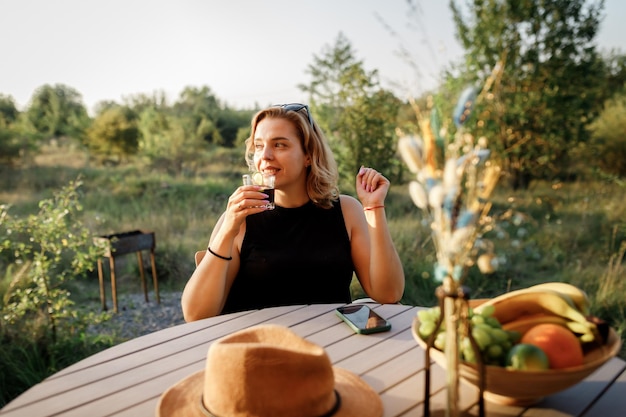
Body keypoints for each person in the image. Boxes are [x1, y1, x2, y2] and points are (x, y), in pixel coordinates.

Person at [181, 103, 404, 321]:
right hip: (260, 347)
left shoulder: (346, 211)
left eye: (279, 145)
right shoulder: (240, 218)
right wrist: (228, 230)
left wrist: (374, 207)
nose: (265, 155)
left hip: (331, 347)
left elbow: (388, 294)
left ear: (308, 155)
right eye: (259, 146)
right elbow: (195, 314)